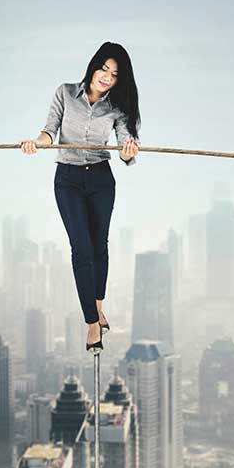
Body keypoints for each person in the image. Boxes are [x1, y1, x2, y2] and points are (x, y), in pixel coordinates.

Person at [20, 41, 141, 354]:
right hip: (68, 179)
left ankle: (98, 306)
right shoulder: (65, 92)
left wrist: (128, 151)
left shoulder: (115, 107)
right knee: (81, 248)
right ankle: (91, 323)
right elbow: (49, 131)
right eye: (104, 69)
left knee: (99, 246)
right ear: (94, 66)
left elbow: (125, 140)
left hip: (101, 178)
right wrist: (39, 142)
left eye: (114, 75)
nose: (107, 77)